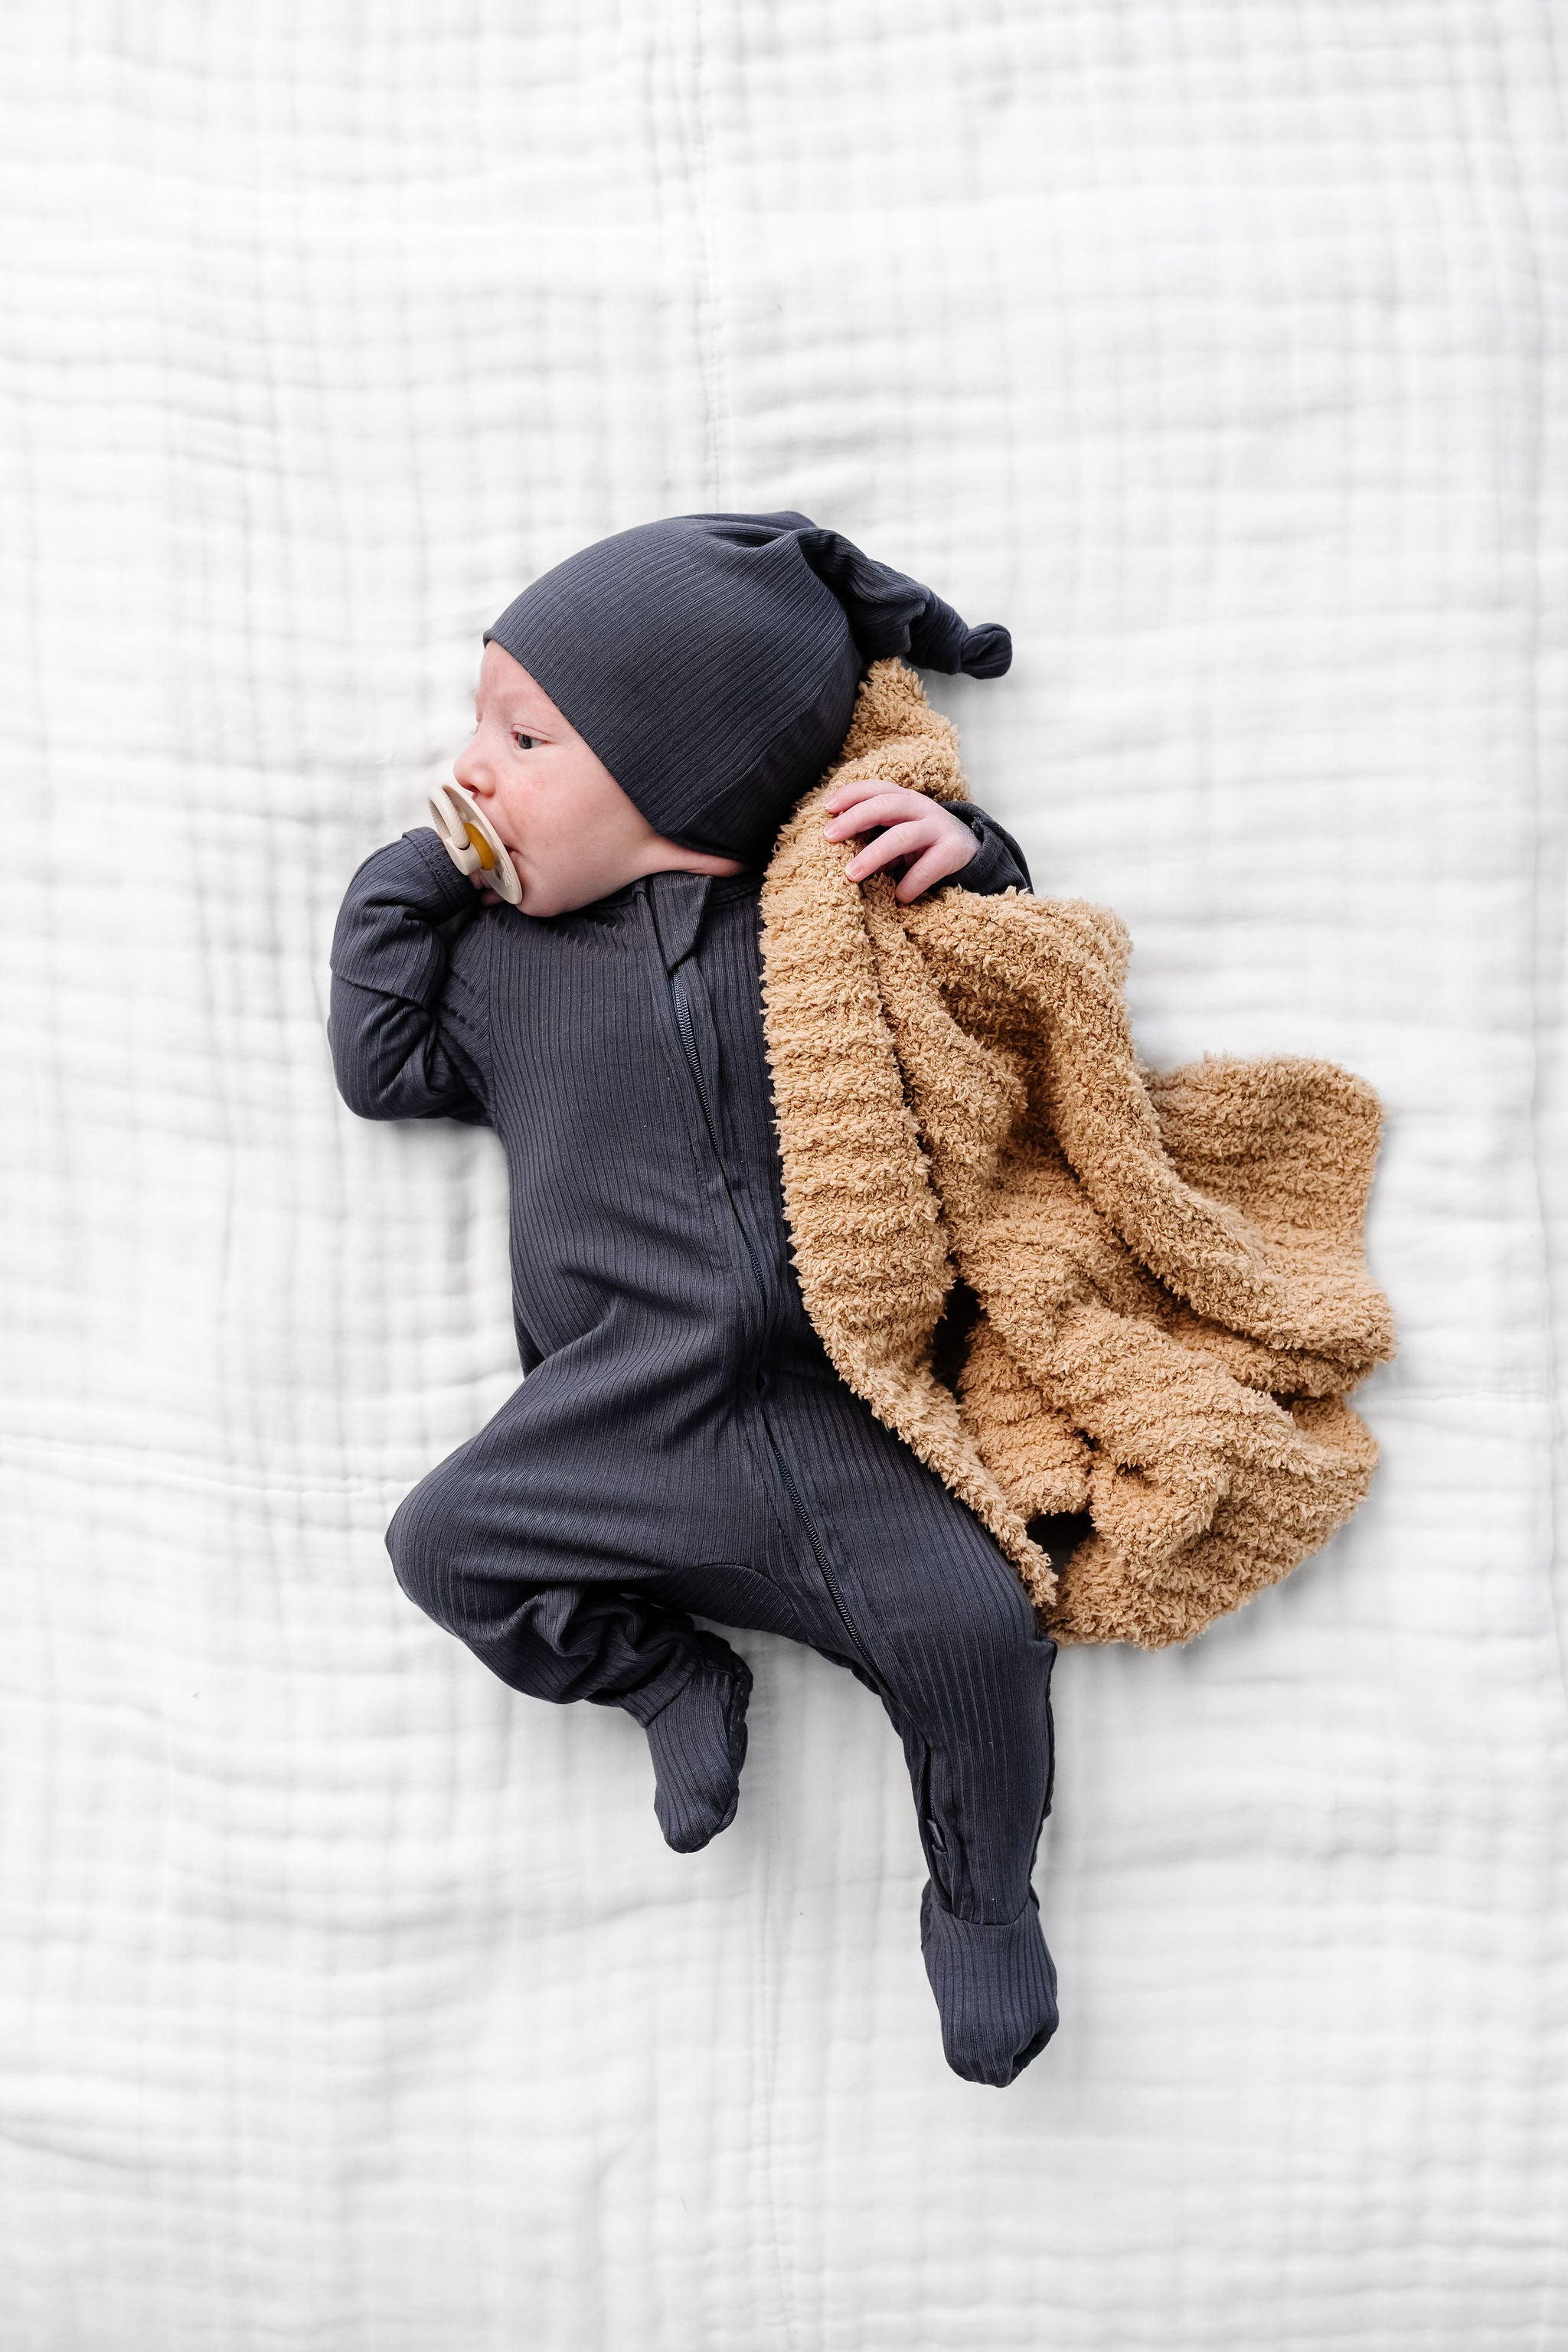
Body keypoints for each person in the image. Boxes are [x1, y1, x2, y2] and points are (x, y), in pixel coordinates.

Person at [328, 511, 1059, 2086]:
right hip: (621, 1409)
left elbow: (997, 1000)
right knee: (442, 1545)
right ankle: (663, 1667)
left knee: (981, 1635)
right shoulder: (498, 969)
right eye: (476, 727)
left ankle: (983, 1901)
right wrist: (418, 872)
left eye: (523, 737)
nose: (472, 767)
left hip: (837, 1411)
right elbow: (379, 1067)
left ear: (679, 775)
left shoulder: (825, 914)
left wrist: (974, 858)